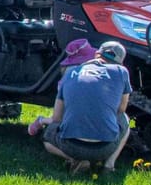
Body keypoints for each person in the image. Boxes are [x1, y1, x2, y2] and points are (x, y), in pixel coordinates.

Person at [28, 38, 133, 172]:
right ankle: (109, 165)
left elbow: (56, 119)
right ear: (120, 62)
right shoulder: (121, 72)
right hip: (105, 148)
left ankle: (76, 160)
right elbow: (121, 109)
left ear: (96, 54)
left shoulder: (71, 73)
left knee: (48, 139)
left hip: (71, 147)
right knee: (124, 118)